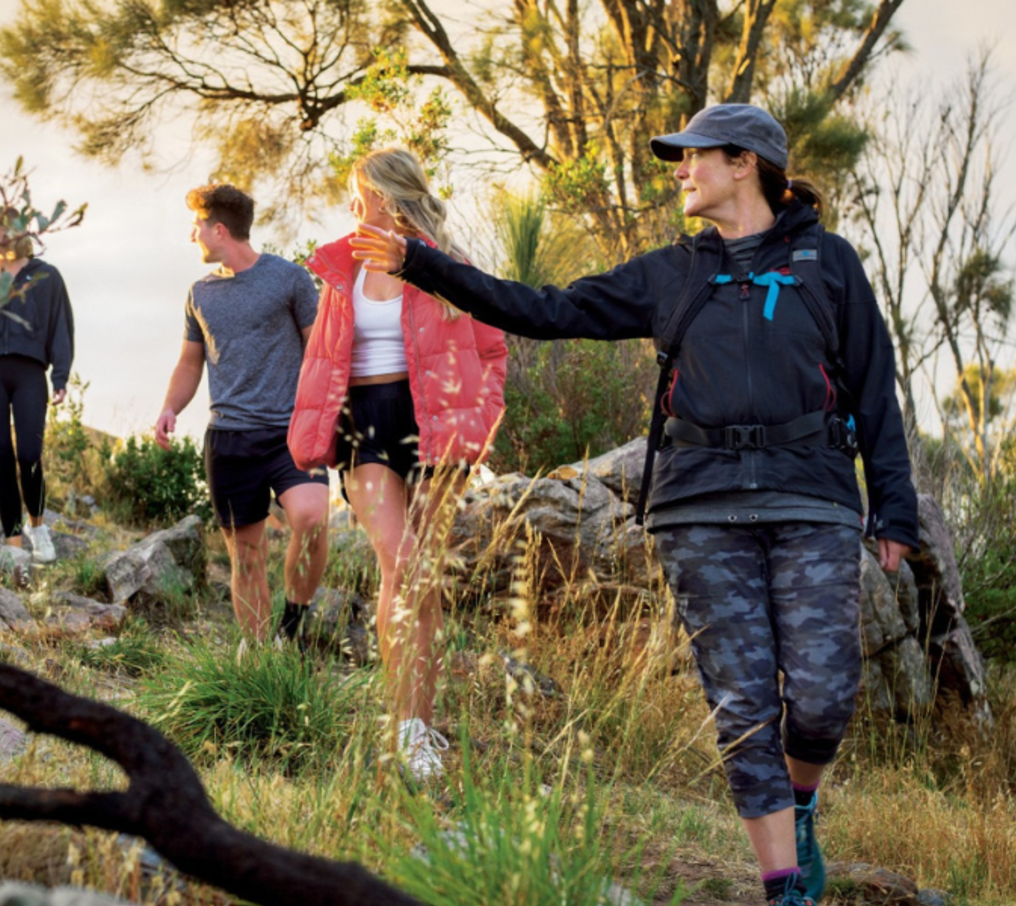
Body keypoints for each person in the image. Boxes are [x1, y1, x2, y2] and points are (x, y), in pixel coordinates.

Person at [348, 106, 918, 905]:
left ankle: (802, 798)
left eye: (693, 158)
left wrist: (893, 506)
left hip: (812, 495)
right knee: (743, 703)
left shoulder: (830, 264)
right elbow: (540, 310)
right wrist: (423, 266)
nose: (680, 171)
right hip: (699, 505)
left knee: (824, 695)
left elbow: (873, 385)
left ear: (744, 162)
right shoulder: (670, 273)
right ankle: (785, 886)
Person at [288, 148, 508, 782]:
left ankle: (420, 725)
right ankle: (403, 727)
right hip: (366, 421)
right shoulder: (342, 268)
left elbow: (494, 350)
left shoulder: (443, 266)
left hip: (436, 423)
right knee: (403, 562)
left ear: (390, 196)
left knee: (426, 580)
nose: (354, 207)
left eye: (361, 194)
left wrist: (478, 418)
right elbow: (324, 360)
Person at [156, 184, 329, 643]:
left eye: (197, 225)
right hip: (230, 439)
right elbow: (190, 363)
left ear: (219, 229)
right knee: (246, 558)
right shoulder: (200, 293)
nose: (192, 234)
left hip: (291, 432)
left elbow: (318, 351)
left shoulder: (290, 279)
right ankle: (260, 662)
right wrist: (170, 408)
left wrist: (330, 414)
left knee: (312, 519)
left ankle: (290, 628)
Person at [0, 206, 75, 563]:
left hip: (29, 373)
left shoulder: (45, 276)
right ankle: (15, 549)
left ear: (8, 231)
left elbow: (61, 326)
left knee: (29, 456)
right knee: (2, 458)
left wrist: (60, 376)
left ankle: (38, 527)